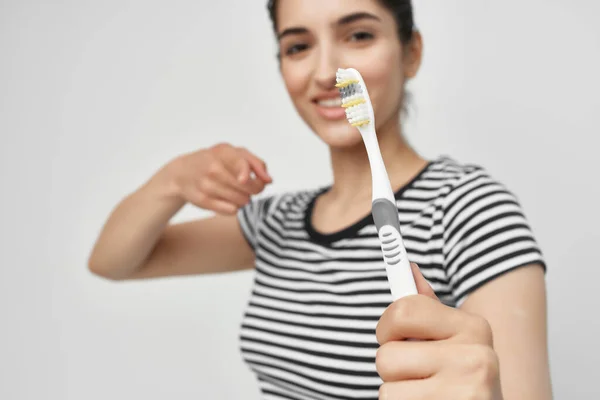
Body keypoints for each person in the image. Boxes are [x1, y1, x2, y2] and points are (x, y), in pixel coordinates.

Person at [88, 0, 552, 398]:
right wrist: (170, 181)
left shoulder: (468, 208)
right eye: (298, 46)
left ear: (411, 53)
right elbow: (115, 261)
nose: (326, 71)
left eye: (359, 35)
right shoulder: (278, 222)